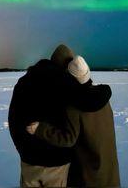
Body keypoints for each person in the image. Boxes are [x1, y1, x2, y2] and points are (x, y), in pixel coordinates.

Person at [8, 44, 111, 187]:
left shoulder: (24, 82)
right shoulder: (62, 83)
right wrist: (105, 91)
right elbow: (88, 101)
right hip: (56, 162)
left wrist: (22, 148)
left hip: (28, 160)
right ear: (66, 65)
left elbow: (13, 118)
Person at [27, 55, 121, 187]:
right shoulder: (103, 98)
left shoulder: (75, 105)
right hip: (108, 165)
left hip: (89, 171)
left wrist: (40, 129)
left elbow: (68, 139)